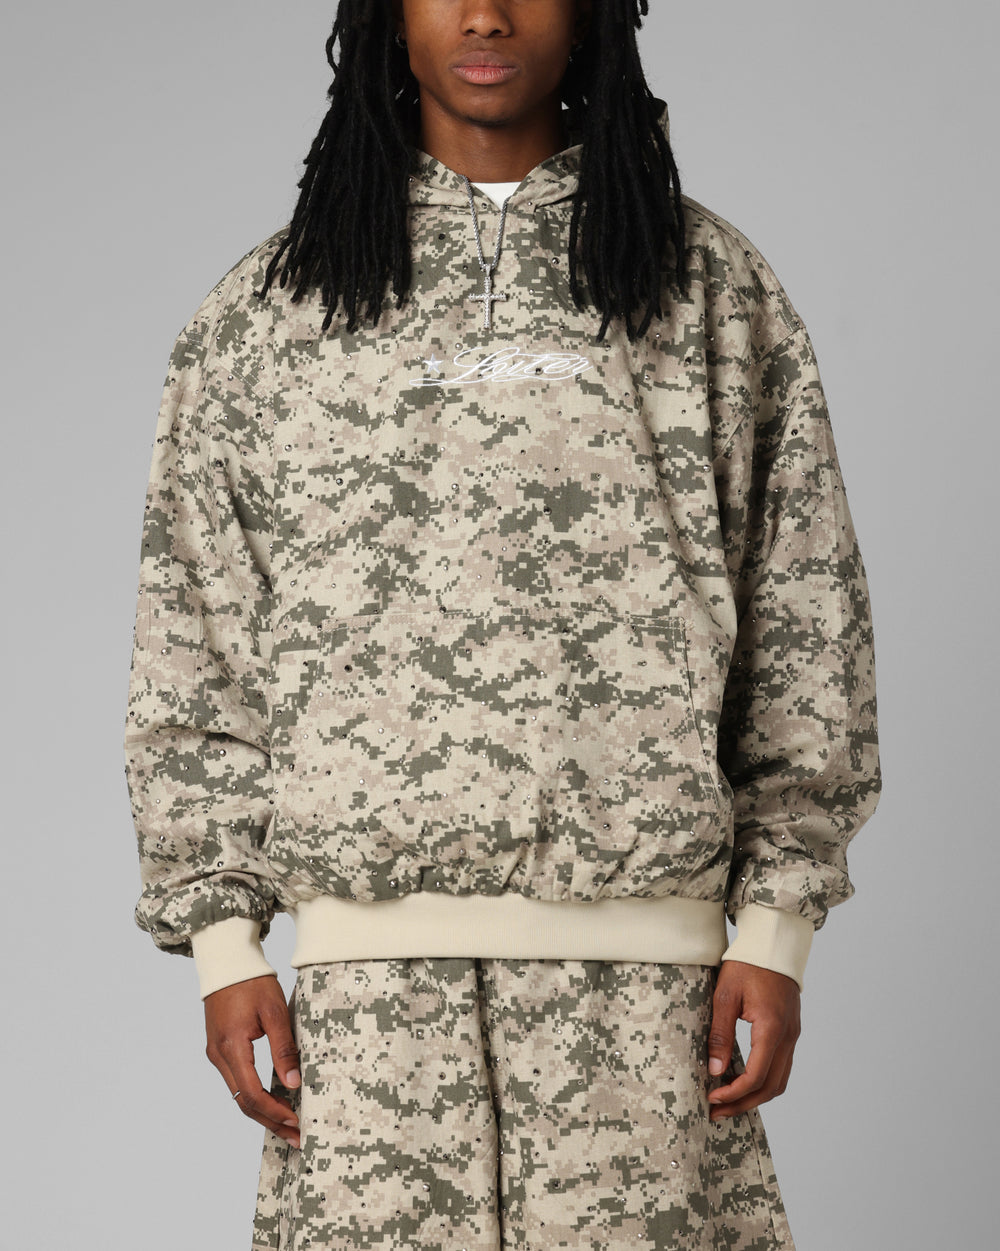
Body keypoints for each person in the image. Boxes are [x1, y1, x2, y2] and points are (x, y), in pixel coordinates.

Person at [123, 1, 881, 1247]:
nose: (485, 12)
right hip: (368, 1002)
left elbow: (802, 612)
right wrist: (224, 943)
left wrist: (778, 929)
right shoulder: (270, 311)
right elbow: (195, 639)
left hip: (647, 992)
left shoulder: (706, 286)